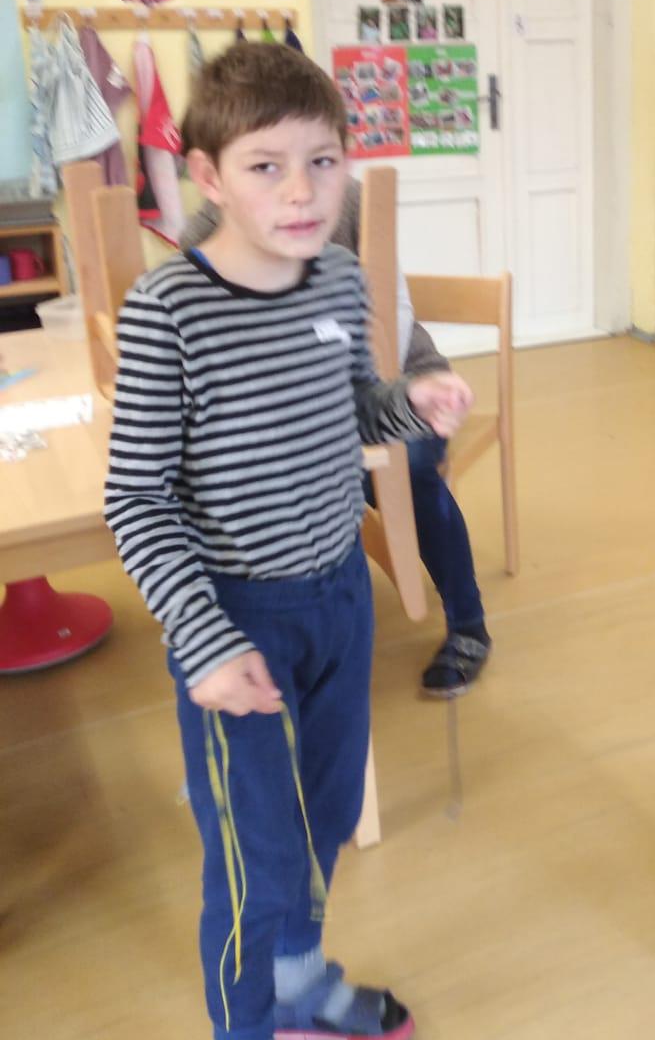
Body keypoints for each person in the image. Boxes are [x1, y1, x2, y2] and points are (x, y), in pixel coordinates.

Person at [105, 42, 475, 1040]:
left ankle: (302, 981)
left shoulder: (337, 281)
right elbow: (136, 499)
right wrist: (203, 641)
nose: (303, 191)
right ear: (206, 176)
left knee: (321, 815)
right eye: (266, 166)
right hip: (237, 628)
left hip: (337, 602)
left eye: (322, 160)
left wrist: (413, 405)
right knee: (253, 857)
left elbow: (348, 408)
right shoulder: (169, 309)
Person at [182, 175, 493, 698]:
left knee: (408, 469)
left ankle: (468, 622)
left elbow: (391, 315)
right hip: (296, 406)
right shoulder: (204, 235)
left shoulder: (345, 199)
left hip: (398, 376)